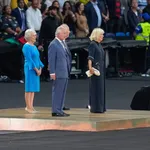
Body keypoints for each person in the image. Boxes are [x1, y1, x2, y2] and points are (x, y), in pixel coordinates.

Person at [48, 24, 72, 117]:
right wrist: (52, 72)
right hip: (58, 72)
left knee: (62, 91)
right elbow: (51, 59)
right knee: (57, 91)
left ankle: (60, 109)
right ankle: (56, 110)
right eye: (64, 33)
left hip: (64, 71)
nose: (66, 35)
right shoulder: (54, 44)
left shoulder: (63, 43)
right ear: (58, 34)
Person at [22, 29, 44, 113]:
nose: (35, 36)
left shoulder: (34, 46)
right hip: (30, 68)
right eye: (34, 35)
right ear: (29, 36)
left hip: (37, 68)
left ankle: (31, 106)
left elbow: (38, 58)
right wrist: (36, 69)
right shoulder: (26, 46)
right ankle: (28, 106)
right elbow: (29, 59)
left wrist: (40, 68)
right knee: (29, 88)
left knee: (33, 88)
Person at [88, 28, 106, 113]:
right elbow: (90, 57)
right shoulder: (93, 44)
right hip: (95, 69)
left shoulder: (99, 45)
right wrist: (90, 67)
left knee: (101, 87)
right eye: (101, 34)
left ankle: (101, 107)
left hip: (101, 69)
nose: (102, 36)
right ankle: (96, 107)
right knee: (96, 87)